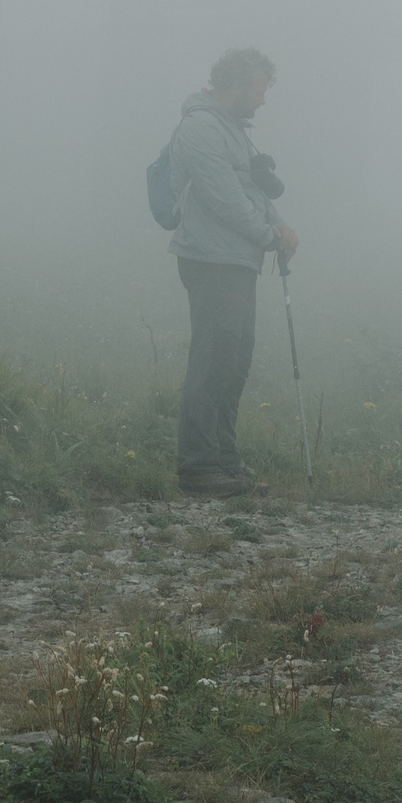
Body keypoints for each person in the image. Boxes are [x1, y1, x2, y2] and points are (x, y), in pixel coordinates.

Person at [166, 46, 299, 497]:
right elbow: (223, 198)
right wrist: (268, 235)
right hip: (211, 258)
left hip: (236, 259)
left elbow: (249, 192)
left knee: (234, 361)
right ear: (235, 84)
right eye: (258, 90)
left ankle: (224, 464)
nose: (262, 100)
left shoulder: (233, 132)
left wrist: (278, 225)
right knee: (213, 359)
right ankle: (199, 469)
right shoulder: (201, 129)